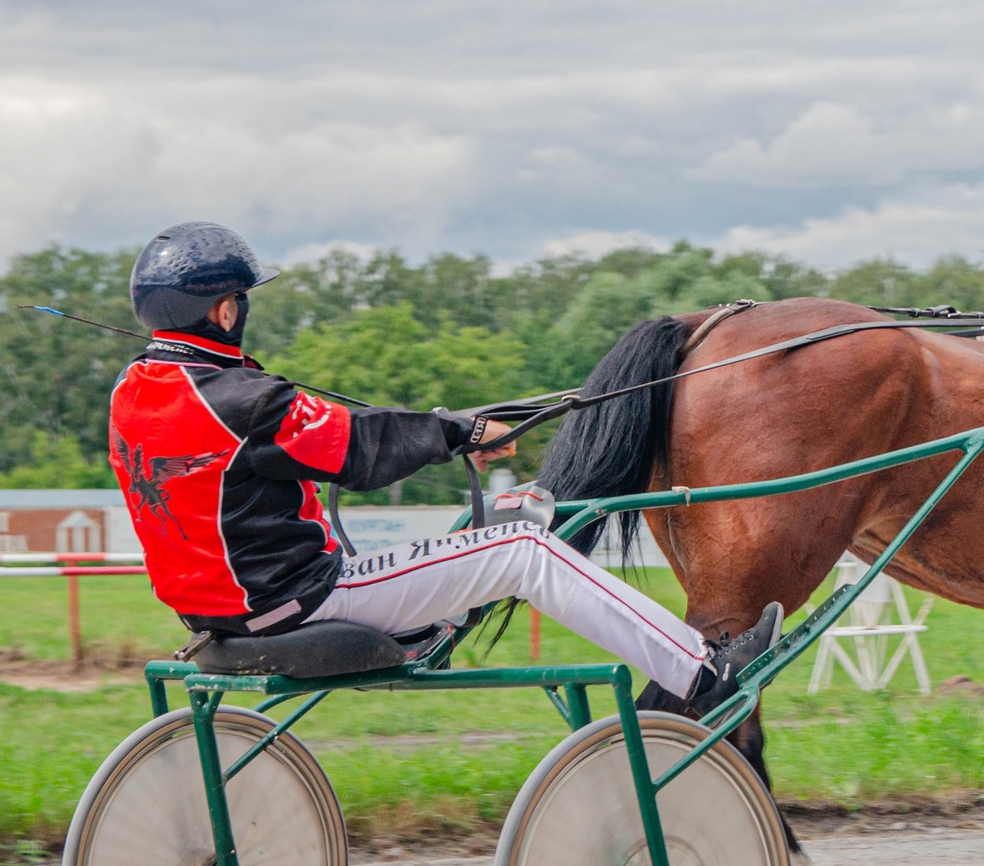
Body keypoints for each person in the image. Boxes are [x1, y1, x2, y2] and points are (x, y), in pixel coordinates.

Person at [109, 223, 774, 710]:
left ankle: (436, 624)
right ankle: (703, 672)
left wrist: (448, 432)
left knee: (511, 516)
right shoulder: (245, 399)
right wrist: (462, 431)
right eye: (244, 301)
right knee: (522, 550)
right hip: (307, 601)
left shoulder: (129, 395)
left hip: (218, 616)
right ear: (226, 310)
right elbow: (359, 448)